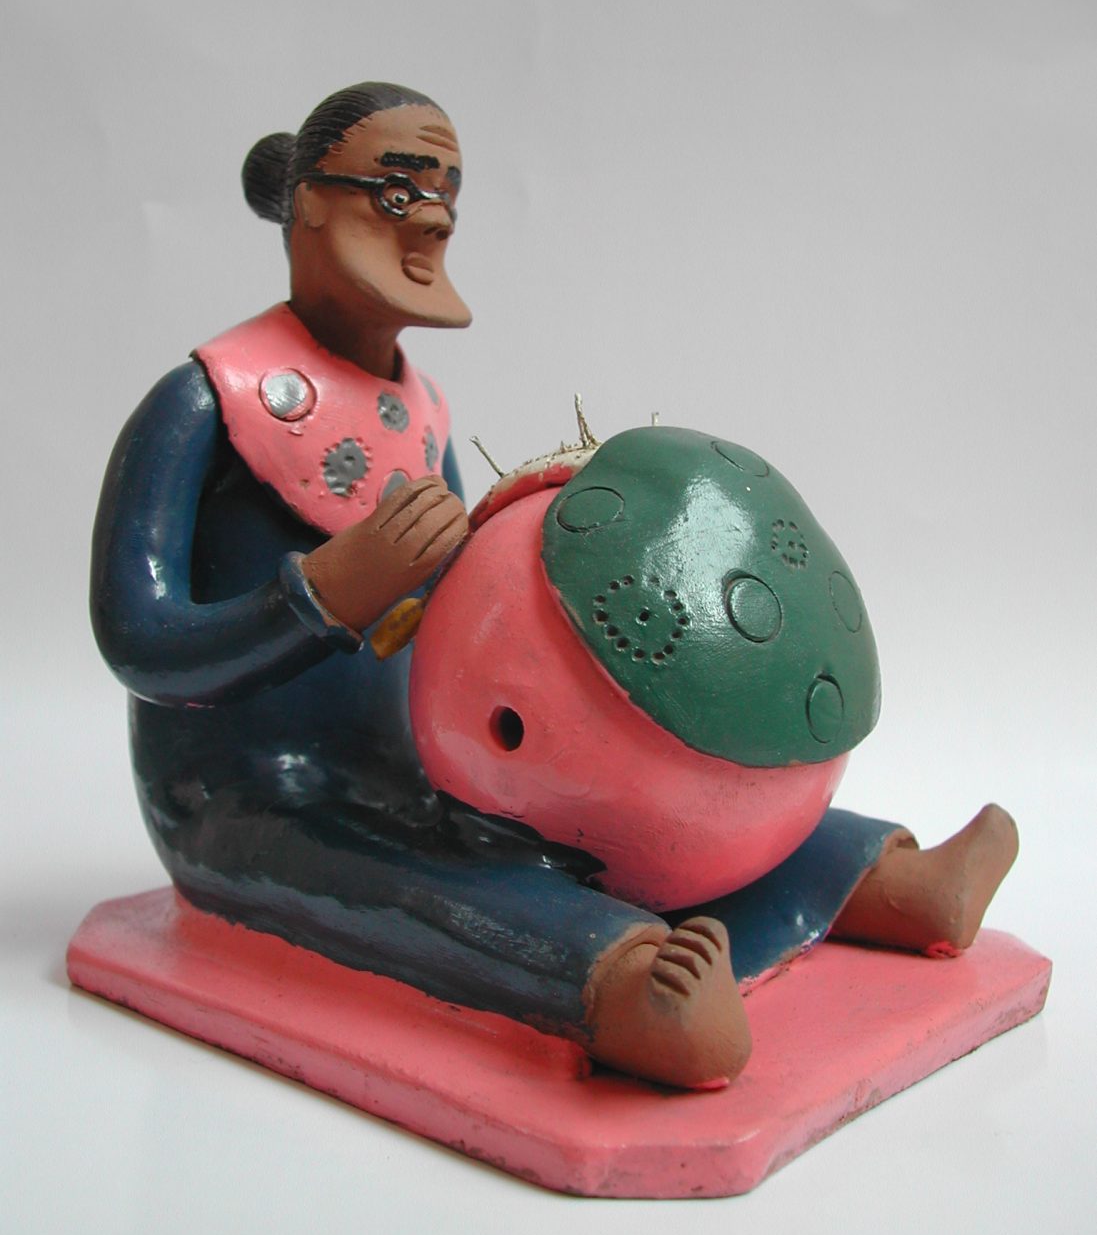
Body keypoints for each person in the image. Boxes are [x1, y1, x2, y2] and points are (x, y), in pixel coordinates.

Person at [91, 81, 1018, 1091]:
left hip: (422, 759)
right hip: (248, 796)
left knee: (614, 821)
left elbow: (440, 595)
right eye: (398, 192)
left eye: (445, 194)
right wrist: (316, 595)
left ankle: (886, 882)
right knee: (413, 885)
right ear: (308, 202)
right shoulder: (202, 403)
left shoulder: (417, 411)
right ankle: (623, 986)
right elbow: (138, 640)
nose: (432, 219)